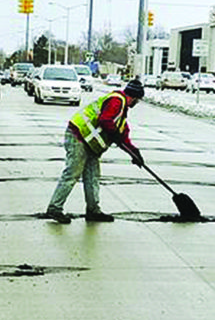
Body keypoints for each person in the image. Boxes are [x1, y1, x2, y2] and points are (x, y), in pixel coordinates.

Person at [44, 79, 145, 224]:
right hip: (78, 135)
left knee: (92, 176)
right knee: (72, 173)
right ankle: (54, 208)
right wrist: (114, 134)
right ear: (134, 97)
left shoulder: (122, 111)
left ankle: (93, 211)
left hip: (89, 144)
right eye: (138, 99)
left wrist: (134, 153)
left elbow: (122, 136)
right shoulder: (117, 101)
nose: (138, 102)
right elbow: (105, 120)